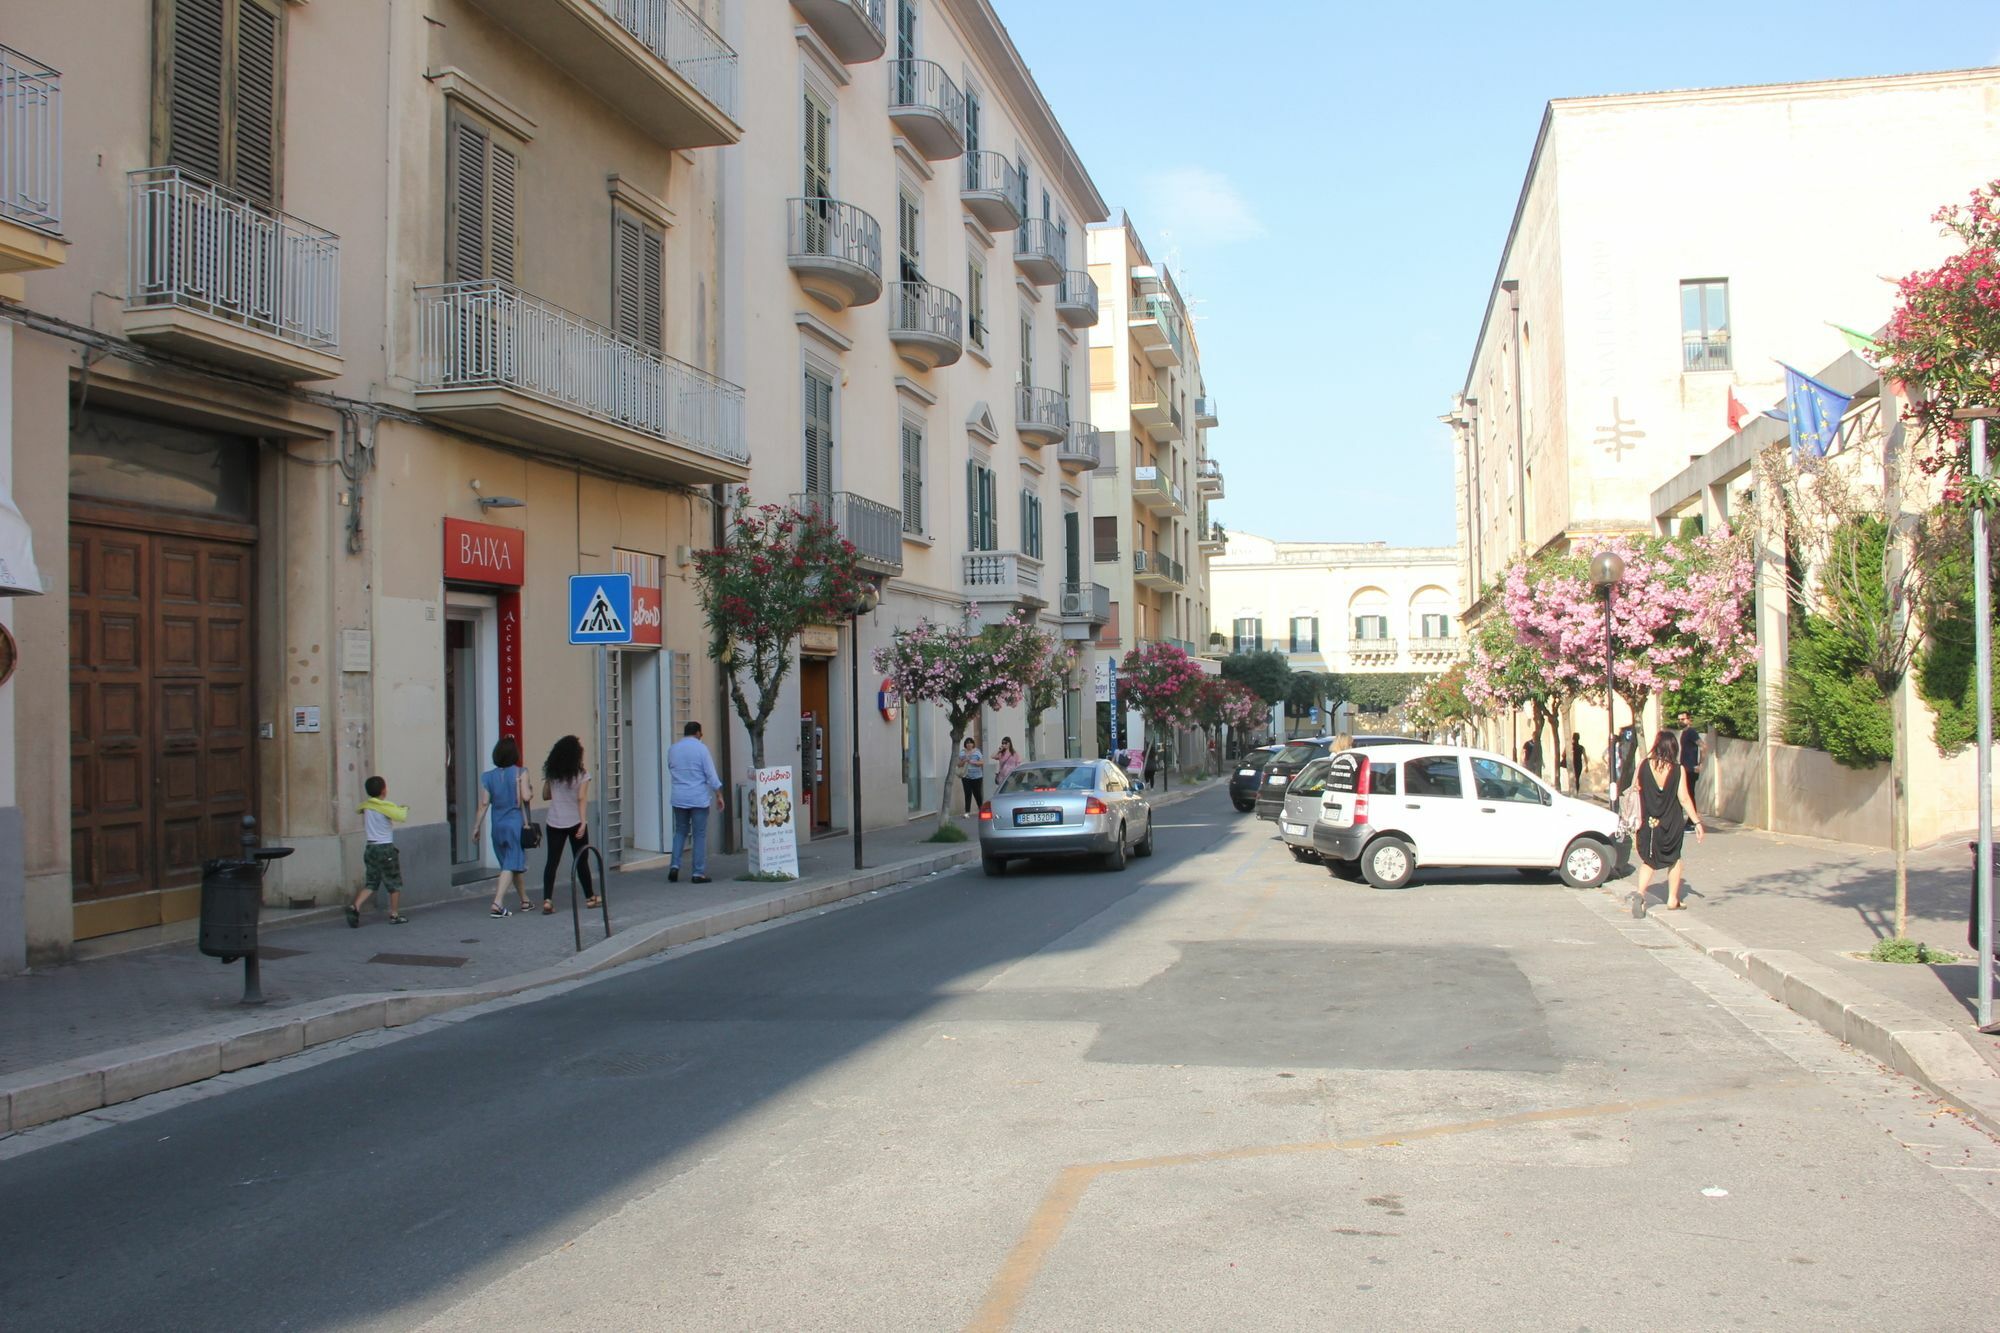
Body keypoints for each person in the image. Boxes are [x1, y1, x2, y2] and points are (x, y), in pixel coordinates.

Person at [1630, 728, 1704, 917]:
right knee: (1675, 859)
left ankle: (1640, 894)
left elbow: (1635, 788)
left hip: (1648, 823)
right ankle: (1673, 899)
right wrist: (1696, 822)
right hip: (1671, 823)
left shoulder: (1643, 765)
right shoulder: (1678, 769)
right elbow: (1685, 798)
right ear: (1673, 748)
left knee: (1649, 861)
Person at [472, 736, 533, 917]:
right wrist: (529, 788)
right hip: (514, 824)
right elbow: (526, 797)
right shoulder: (520, 772)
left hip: (496, 826)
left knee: (511, 864)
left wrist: (476, 827)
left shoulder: (488, 777)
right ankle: (497, 903)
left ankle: (525, 901)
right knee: (511, 864)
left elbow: (484, 804)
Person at [539, 735, 596, 914]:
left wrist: (550, 779)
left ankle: (547, 900)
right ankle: (590, 897)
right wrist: (582, 822)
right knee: (581, 860)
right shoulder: (582, 775)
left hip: (555, 821)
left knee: (552, 862)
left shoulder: (553, 774)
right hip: (574, 821)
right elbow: (581, 798)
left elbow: (546, 795)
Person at [346, 775, 409, 927]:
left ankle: (355, 906)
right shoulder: (384, 806)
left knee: (371, 883)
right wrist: (404, 808)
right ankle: (394, 914)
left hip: (370, 848)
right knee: (394, 883)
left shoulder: (366, 807)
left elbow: (359, 810)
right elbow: (401, 816)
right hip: (385, 848)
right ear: (384, 790)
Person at [667, 720, 724, 883]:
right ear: (698, 733)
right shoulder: (701, 749)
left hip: (679, 797)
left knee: (680, 832)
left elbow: (670, 768)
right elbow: (711, 775)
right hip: (698, 797)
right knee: (699, 835)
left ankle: (674, 866)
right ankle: (698, 873)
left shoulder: (673, 749)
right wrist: (719, 794)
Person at [1678, 710, 1705, 812]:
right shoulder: (1685, 732)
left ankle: (1691, 820)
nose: (1680, 721)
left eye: (1683, 719)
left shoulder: (1691, 732)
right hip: (1685, 768)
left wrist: (1700, 764)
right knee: (1685, 793)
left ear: (1689, 720)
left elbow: (1703, 746)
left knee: (1689, 793)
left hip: (1690, 768)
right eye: (1679, 719)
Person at [956, 736, 985, 814]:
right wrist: (964, 760)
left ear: (973, 744)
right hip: (966, 776)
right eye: (967, 743)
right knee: (967, 794)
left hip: (977, 777)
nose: (969, 744)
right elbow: (958, 764)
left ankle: (981, 810)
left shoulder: (977, 752)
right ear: (965, 744)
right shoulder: (962, 752)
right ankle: (967, 812)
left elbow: (982, 762)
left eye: (970, 743)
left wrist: (973, 762)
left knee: (977, 794)